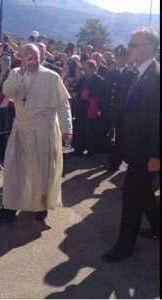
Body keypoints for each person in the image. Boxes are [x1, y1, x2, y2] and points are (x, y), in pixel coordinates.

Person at [0, 43, 72, 222]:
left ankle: (41, 205)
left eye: (35, 57)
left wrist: (67, 129)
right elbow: (7, 92)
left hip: (43, 130)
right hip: (21, 129)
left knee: (40, 171)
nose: (32, 61)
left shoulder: (52, 76)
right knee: (14, 170)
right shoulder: (16, 73)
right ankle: (9, 209)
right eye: (28, 58)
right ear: (22, 58)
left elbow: (63, 104)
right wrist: (19, 76)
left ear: (41, 56)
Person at [102, 26, 160, 263]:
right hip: (134, 149)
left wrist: (157, 155)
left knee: (132, 197)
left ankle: (124, 245)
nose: (129, 48)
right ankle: (158, 226)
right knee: (143, 191)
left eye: (133, 45)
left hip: (147, 152)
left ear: (149, 48)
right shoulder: (136, 72)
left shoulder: (156, 76)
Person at [102, 45, 135, 169]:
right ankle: (112, 155)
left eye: (121, 58)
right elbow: (106, 92)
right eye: (117, 58)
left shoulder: (131, 74)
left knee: (120, 136)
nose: (119, 60)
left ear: (126, 59)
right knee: (109, 134)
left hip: (123, 111)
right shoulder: (110, 73)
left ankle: (116, 160)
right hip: (110, 109)